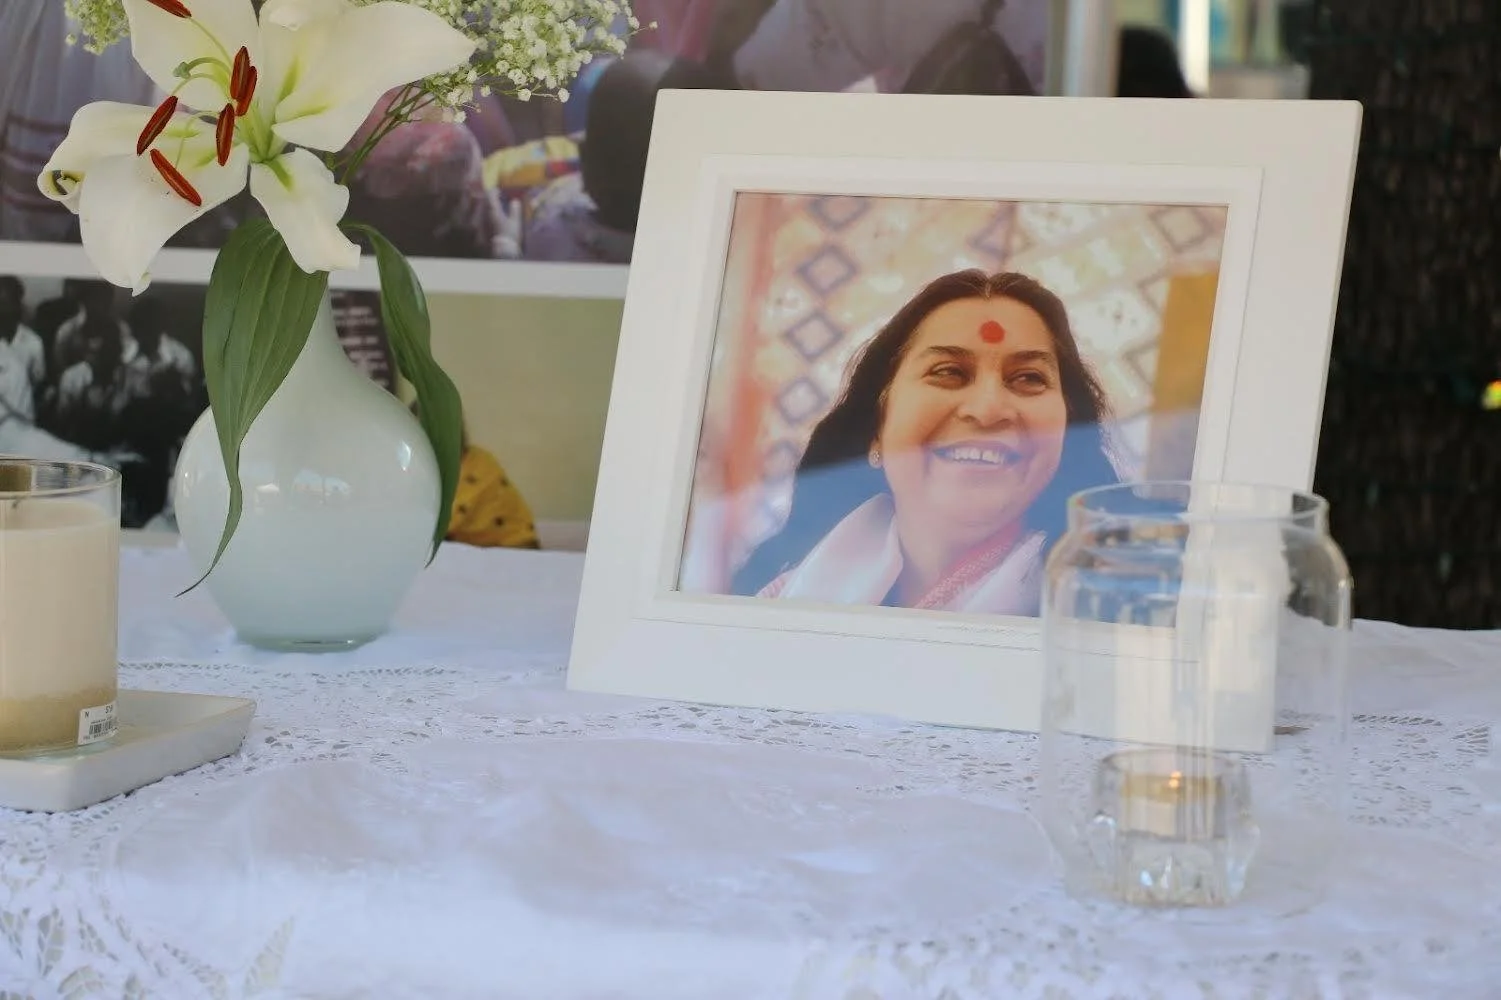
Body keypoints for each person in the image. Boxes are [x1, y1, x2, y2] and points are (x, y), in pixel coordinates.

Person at [731, 269, 1120, 614]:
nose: (988, 409)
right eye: (949, 371)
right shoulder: (767, 607)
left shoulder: (1111, 611)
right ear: (876, 425)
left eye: (1029, 378)